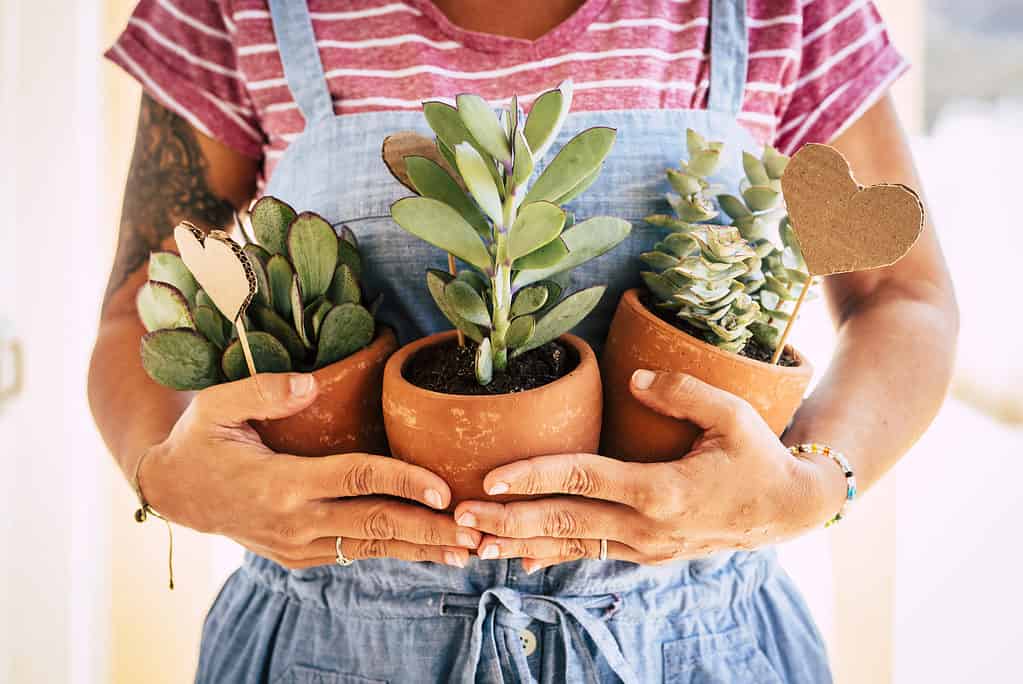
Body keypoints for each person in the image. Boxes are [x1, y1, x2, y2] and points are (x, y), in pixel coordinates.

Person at [91, 0, 958, 681]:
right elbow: (140, 306)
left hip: (697, 644)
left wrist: (813, 484)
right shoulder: (231, 8)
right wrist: (161, 474)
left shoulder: (788, 8)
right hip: (326, 647)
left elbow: (901, 297)